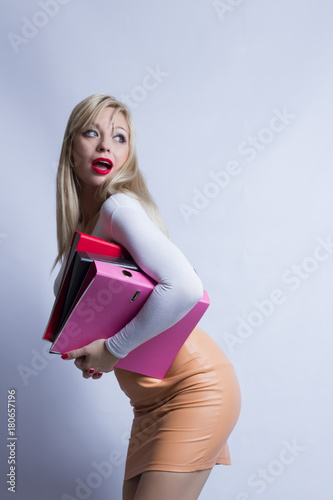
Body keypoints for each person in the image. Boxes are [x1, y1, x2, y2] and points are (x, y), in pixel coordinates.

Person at [54, 93, 241, 500]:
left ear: (128, 156)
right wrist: (97, 354)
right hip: (148, 405)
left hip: (194, 386)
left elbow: (186, 288)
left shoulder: (118, 208)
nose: (106, 145)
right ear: (71, 147)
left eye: (120, 138)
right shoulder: (82, 236)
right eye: (92, 132)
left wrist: (114, 349)